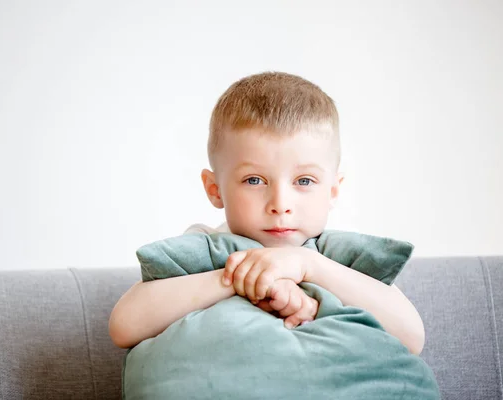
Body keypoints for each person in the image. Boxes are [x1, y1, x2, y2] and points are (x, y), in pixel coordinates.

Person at [109, 72, 425, 355]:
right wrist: (247, 278)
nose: (280, 204)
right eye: (255, 180)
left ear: (332, 190)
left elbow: (412, 337)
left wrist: (306, 265)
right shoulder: (205, 245)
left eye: (304, 181)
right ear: (215, 189)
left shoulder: (338, 257)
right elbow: (124, 326)